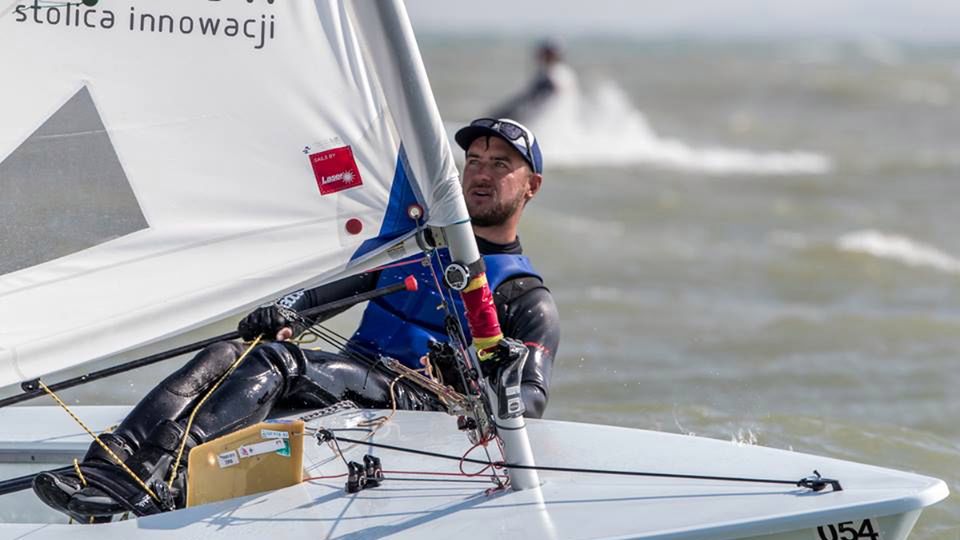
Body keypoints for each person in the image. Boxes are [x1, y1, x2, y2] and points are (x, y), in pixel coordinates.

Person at [33, 118, 560, 521]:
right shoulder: (422, 249)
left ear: (530, 186)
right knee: (228, 353)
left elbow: (531, 402)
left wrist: (495, 373)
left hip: (416, 399)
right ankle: (112, 462)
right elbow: (333, 294)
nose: (482, 173)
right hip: (355, 375)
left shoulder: (525, 295)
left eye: (499, 164)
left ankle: (160, 475)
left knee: (279, 362)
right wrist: (288, 310)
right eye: (474, 160)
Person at [488, 40, 577, 122]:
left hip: (540, 111)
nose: (542, 56)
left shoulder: (557, 72)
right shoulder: (546, 71)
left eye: (547, 53)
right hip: (529, 107)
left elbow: (559, 92)